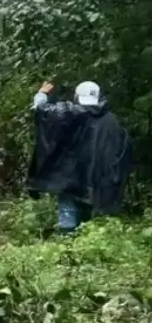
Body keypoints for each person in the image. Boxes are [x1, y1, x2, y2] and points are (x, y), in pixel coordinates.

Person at [31, 81, 133, 233]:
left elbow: (42, 111)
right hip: (95, 177)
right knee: (88, 209)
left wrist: (42, 94)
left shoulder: (68, 113)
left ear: (77, 96)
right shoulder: (110, 120)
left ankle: (67, 243)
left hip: (68, 175)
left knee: (68, 207)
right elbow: (121, 149)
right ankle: (85, 240)